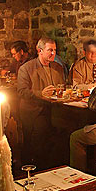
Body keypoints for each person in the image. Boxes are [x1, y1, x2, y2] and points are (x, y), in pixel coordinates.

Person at [17, 37, 65, 168]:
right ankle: (35, 166)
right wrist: (40, 93)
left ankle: (56, 165)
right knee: (41, 131)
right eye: (50, 50)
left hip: (55, 110)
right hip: (34, 110)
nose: (53, 53)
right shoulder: (26, 68)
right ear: (40, 51)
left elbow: (62, 87)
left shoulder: (57, 67)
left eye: (55, 50)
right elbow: (22, 91)